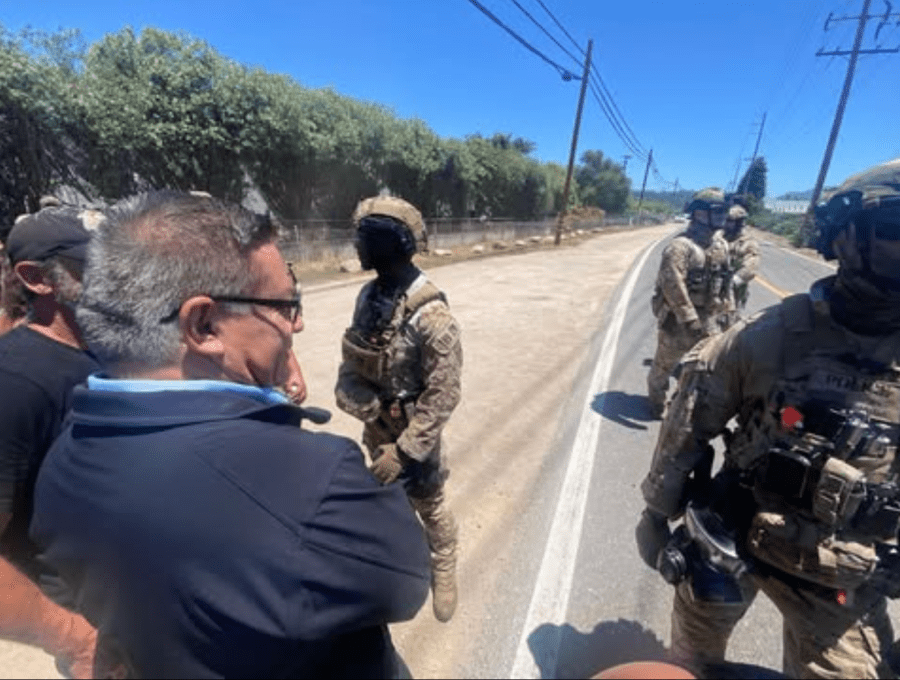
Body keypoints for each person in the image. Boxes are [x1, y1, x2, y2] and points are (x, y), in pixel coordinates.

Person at [30, 191, 430, 678]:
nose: (297, 323)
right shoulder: (313, 482)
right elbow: (407, 579)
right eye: (285, 304)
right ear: (203, 324)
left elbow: (65, 585)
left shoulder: (59, 465)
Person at [635, 158, 900, 678]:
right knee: (690, 662)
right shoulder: (767, 338)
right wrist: (655, 510)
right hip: (731, 537)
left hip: (844, 571)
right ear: (845, 237)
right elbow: (690, 419)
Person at [335, 195, 462, 623]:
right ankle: (402, 559)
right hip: (378, 430)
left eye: (364, 238)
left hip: (415, 440)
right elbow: (352, 363)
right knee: (391, 503)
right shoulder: (369, 297)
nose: (357, 246)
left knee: (430, 503)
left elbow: (443, 395)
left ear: (391, 242)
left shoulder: (432, 314)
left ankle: (443, 562)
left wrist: (405, 451)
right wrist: (368, 408)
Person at [0, 206, 101, 678]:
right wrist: (76, 639)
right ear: (37, 278)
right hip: (103, 637)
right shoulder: (16, 381)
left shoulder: (104, 350)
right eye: (93, 265)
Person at [646, 187, 731, 419]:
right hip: (678, 321)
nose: (722, 216)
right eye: (717, 211)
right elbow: (672, 285)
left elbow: (726, 281)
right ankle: (656, 401)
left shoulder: (720, 246)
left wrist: (727, 313)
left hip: (710, 320)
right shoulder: (680, 247)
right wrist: (689, 319)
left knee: (706, 368)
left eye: (724, 211)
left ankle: (688, 405)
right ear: (700, 214)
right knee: (664, 366)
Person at [723, 202, 760, 317]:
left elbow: (750, 268)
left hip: (733, 292)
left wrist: (732, 281)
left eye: (730, 221)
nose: (726, 224)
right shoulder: (720, 237)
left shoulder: (748, 243)